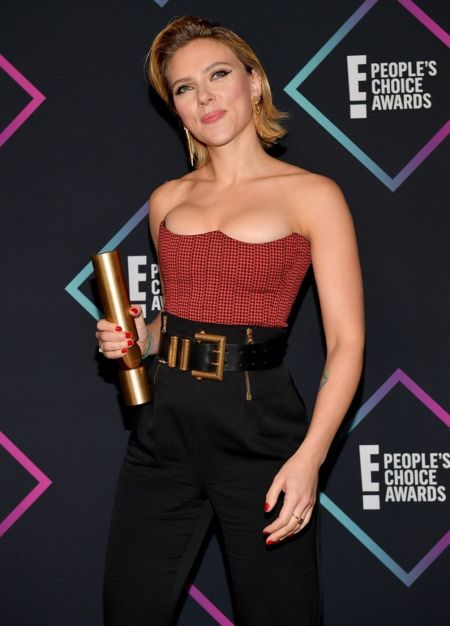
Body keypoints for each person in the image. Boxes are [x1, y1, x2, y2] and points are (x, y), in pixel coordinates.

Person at [96, 15, 365, 626]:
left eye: (218, 75)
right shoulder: (167, 199)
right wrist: (137, 337)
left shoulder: (314, 195)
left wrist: (310, 457)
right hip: (163, 430)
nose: (205, 97)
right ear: (176, 108)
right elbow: (176, 319)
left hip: (260, 432)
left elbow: (347, 343)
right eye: (184, 87)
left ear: (255, 82)